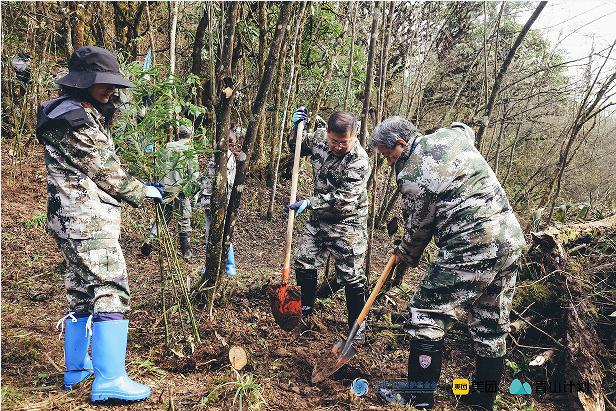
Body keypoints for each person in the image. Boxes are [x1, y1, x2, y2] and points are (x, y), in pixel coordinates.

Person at [370, 117, 527, 410]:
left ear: (401, 144)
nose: (388, 162)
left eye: (388, 155)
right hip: (508, 240)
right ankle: (481, 402)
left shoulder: (412, 176)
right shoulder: (450, 135)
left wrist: (404, 254)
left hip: (470, 246)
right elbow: (463, 128)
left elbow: (418, 229)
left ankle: (419, 397)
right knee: (491, 323)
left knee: (426, 313)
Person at [36, 46, 162, 403]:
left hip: (71, 217)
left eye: (111, 83)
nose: (110, 90)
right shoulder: (74, 118)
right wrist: (144, 191)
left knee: (81, 290)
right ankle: (110, 380)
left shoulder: (70, 111)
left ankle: (78, 369)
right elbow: (103, 168)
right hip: (84, 218)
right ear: (82, 82)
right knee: (111, 286)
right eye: (102, 83)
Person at [285, 107, 371, 341]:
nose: (338, 146)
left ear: (354, 136)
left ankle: (357, 327)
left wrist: (310, 203)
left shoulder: (360, 161)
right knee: (304, 261)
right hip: (319, 219)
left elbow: (344, 200)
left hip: (348, 223)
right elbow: (296, 147)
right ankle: (306, 313)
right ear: (328, 135)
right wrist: (296, 128)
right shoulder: (320, 138)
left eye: (344, 142)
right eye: (334, 141)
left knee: (351, 275)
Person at [140, 125, 199, 259]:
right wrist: (193, 192)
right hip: (180, 190)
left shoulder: (167, 147)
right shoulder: (190, 149)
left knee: (162, 218)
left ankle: (149, 241)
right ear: (191, 135)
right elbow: (193, 174)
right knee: (184, 219)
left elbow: (160, 166)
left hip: (164, 188)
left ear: (179, 134)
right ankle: (186, 252)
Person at [195, 127, 240, 275]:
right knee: (216, 234)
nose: (233, 144)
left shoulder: (227, 157)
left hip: (219, 202)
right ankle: (222, 267)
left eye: (233, 141)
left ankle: (224, 267)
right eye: (230, 142)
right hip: (212, 201)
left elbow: (228, 182)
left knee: (217, 234)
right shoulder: (220, 156)